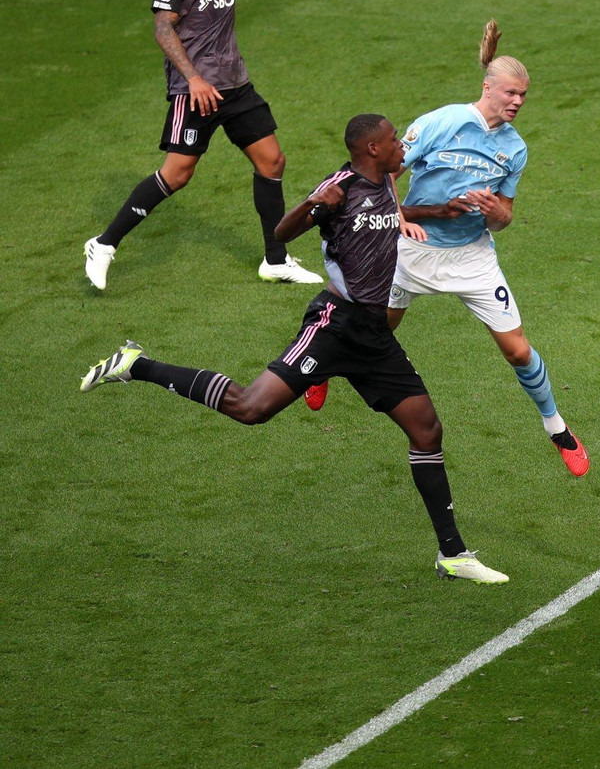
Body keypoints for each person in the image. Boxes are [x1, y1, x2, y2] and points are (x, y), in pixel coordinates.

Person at [80, 114, 506, 584]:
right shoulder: (339, 189)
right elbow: (282, 235)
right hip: (334, 325)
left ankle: (453, 555)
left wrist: (439, 207)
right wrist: (310, 205)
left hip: (374, 337)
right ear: (370, 149)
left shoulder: (385, 175)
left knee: (426, 431)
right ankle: (137, 365)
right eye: (393, 142)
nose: (402, 147)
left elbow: (393, 213)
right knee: (250, 408)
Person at [302, 21, 590, 478]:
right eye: (511, 93)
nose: (517, 102)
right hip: (412, 251)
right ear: (488, 87)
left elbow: (506, 218)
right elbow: (388, 172)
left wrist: (497, 210)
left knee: (517, 350)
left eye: (524, 96)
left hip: (472, 257)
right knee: (371, 332)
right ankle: (318, 370)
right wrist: (397, 218)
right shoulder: (443, 122)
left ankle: (556, 427)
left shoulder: (515, 150)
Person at [83, 0, 321, 290]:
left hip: (235, 84)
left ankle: (275, 260)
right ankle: (104, 244)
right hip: (194, 89)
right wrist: (193, 78)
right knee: (177, 174)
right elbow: (163, 26)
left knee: (272, 162)